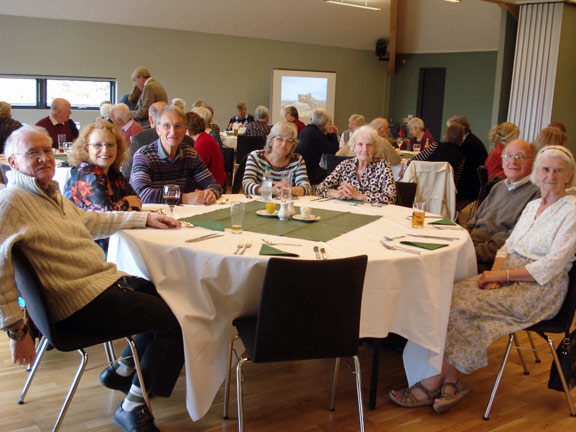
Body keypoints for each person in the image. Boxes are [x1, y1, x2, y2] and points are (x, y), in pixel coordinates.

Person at [0, 125, 184, 432]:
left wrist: (146, 218)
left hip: (98, 285)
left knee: (173, 297)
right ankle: (133, 405)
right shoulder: (10, 203)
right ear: (12, 161)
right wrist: (16, 332)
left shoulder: (48, 194)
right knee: (178, 321)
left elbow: (92, 220)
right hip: (77, 304)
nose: (45, 158)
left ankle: (123, 369)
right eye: (33, 152)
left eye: (47, 150)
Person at [390, 145, 576, 414]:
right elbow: (508, 246)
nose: (551, 175)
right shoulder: (534, 204)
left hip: (539, 289)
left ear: (568, 176)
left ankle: (431, 383)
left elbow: (551, 266)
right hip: (507, 275)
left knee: (461, 308)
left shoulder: (571, 212)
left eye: (558, 170)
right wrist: (494, 274)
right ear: (538, 172)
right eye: (546, 169)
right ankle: (451, 381)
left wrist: (501, 274)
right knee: (447, 297)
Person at [467, 140, 540, 272]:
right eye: (508, 156)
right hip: (468, 247)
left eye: (520, 157)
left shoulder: (537, 195)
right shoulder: (498, 187)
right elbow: (473, 222)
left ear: (533, 162)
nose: (513, 161)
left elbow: (510, 241)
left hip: (486, 261)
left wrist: (467, 252)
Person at [130, 106, 222, 204]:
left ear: (185, 130)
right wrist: (184, 198)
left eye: (178, 126)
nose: (173, 132)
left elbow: (213, 184)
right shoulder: (143, 156)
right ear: (158, 130)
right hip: (154, 216)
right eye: (166, 126)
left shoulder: (190, 155)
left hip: (184, 216)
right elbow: (142, 194)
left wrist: (211, 193)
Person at [65, 119, 141, 212]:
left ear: (118, 147)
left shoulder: (113, 173)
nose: (105, 150)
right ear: (86, 149)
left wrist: (121, 205)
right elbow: (106, 213)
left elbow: (137, 201)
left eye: (110, 145)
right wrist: (127, 202)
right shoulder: (87, 173)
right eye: (97, 145)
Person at [316, 125, 396, 204]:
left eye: (369, 145)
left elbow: (391, 197)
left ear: (375, 148)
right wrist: (337, 193)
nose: (365, 149)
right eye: (360, 144)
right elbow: (320, 189)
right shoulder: (345, 165)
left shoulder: (383, 167)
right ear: (354, 147)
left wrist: (359, 196)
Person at [242, 121, 311, 197]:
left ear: (293, 145)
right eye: (280, 139)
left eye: (289, 141)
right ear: (271, 140)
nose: (284, 144)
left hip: (286, 206)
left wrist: (288, 189)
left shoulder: (297, 160)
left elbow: (306, 188)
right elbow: (246, 185)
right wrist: (270, 190)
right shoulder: (255, 157)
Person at [407, 124, 466, 190]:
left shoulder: (435, 146)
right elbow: (454, 182)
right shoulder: (461, 157)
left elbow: (412, 161)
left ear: (446, 134)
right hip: (442, 191)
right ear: (462, 137)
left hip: (422, 187)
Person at [446, 115, 488, 203]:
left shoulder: (470, 144)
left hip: (470, 186)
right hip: (471, 182)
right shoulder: (469, 140)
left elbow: (462, 169)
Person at [297, 108, 339, 184]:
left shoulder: (305, 130)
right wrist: (332, 133)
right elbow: (333, 150)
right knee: (334, 176)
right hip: (311, 172)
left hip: (302, 168)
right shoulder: (317, 134)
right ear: (324, 123)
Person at [186, 111, 227, 188]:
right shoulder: (204, 138)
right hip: (215, 181)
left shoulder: (202, 143)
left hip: (213, 186)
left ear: (187, 128)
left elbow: (195, 171)